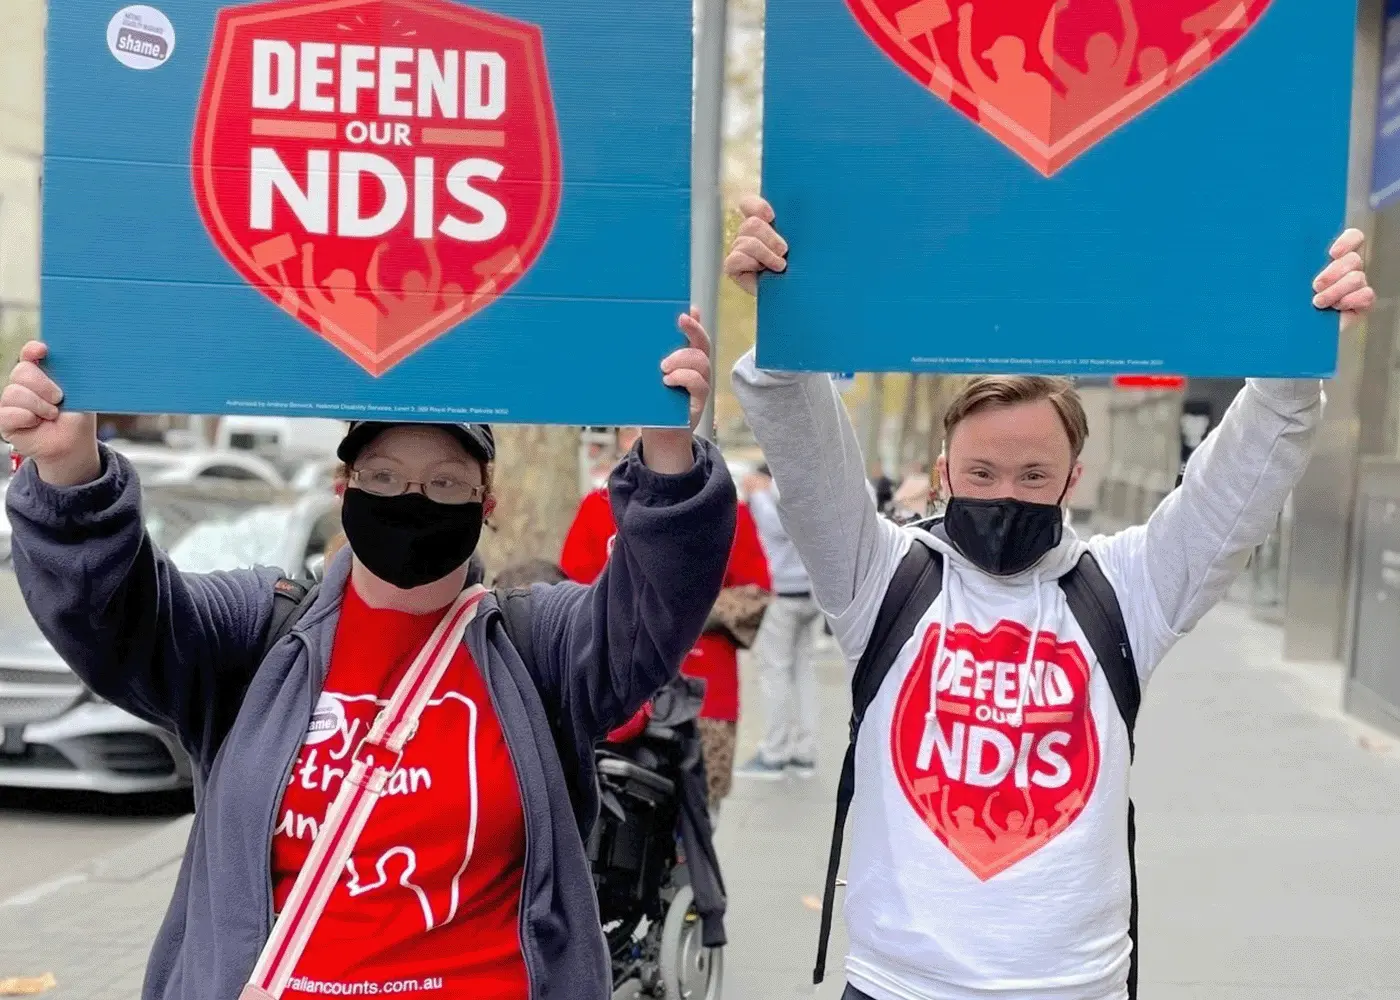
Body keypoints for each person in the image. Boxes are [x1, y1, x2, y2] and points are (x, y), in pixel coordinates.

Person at [722, 193, 1374, 1000]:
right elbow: (805, 447)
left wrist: (1291, 360)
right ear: (946, 470)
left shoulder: (1127, 588)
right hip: (895, 986)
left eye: (1034, 475)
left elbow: (1231, 491)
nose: (1006, 494)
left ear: (1073, 478)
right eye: (984, 473)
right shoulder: (879, 578)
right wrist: (786, 323)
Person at [0, 308, 736, 1000]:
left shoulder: (539, 646)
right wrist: (70, 474)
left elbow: (652, 607)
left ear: (487, 504)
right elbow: (118, 621)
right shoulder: (258, 629)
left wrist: (667, 457)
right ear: (344, 486)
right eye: (383, 476)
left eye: (445, 482)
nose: (411, 499)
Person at [560, 430, 772, 817]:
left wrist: (683, 611)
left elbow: (755, 591)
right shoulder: (596, 507)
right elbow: (571, 592)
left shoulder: (729, 510)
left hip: (705, 687)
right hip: (617, 686)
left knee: (700, 818)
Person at [736, 463, 824, 780]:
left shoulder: (768, 498)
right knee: (803, 671)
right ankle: (804, 751)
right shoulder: (810, 495)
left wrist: (757, 495)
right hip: (810, 593)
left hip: (780, 594)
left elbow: (774, 529)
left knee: (776, 673)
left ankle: (774, 753)